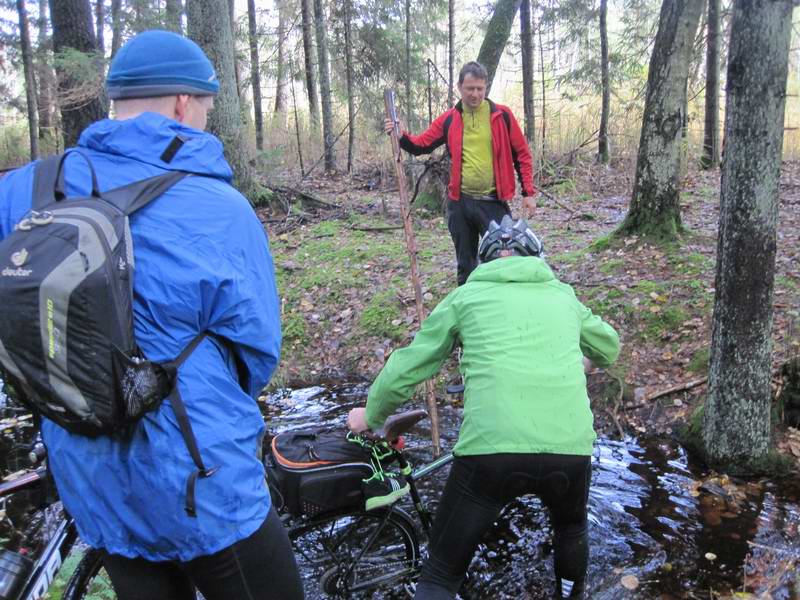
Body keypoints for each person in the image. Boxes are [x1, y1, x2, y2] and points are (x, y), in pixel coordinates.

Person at [0, 31, 302, 600]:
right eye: (208, 110)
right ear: (184, 103)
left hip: (90, 475)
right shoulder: (221, 210)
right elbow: (256, 353)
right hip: (202, 479)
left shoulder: (24, 191)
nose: (207, 121)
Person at [348, 216, 620, 599]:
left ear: (485, 262)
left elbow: (409, 365)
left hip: (490, 453)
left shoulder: (465, 298)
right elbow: (608, 346)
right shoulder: (564, 296)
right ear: (536, 256)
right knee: (570, 528)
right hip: (570, 450)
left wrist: (371, 416)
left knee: (440, 574)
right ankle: (571, 593)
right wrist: (583, 363)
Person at [385, 61, 536, 286]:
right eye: (470, 88)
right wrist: (400, 135)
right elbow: (421, 145)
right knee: (465, 265)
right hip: (460, 204)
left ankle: (496, 309)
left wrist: (528, 192)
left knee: (500, 260)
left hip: (493, 203)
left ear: (486, 88)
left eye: (480, 89)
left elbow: (522, 154)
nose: (475, 94)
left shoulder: (502, 116)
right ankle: (467, 309)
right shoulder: (450, 119)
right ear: (459, 87)